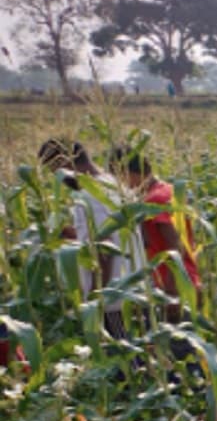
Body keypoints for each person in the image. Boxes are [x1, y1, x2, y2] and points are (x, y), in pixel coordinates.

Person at [37, 139, 132, 339]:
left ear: (64, 164)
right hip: (129, 291)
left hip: (111, 298)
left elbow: (105, 247)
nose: (58, 179)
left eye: (55, 172)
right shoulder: (111, 183)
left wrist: (96, 300)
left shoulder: (90, 195)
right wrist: (74, 233)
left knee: (123, 361)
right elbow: (107, 231)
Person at [108, 145, 201, 324]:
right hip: (186, 282)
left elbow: (175, 245)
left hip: (173, 288)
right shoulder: (169, 190)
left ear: (128, 173)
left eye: (118, 178)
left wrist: (171, 293)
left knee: (177, 348)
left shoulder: (154, 201)